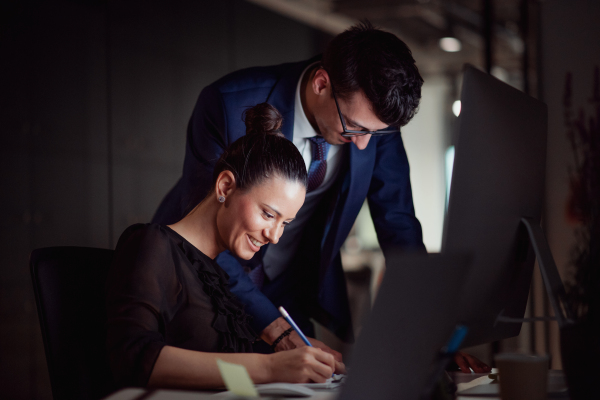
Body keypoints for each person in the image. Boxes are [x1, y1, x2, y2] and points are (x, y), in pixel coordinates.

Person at [152, 21, 489, 373]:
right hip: (205, 278)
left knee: (310, 382)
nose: (363, 144)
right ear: (322, 83)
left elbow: (398, 223)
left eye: (375, 134)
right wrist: (273, 327)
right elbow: (204, 227)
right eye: (355, 128)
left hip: (288, 292)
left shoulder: (373, 124)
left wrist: (432, 333)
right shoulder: (228, 103)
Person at [105, 103, 345, 390]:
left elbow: (225, 380)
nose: (274, 236)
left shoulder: (222, 278)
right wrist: (270, 368)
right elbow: (133, 359)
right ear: (226, 187)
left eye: (285, 223)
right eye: (269, 214)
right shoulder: (152, 245)